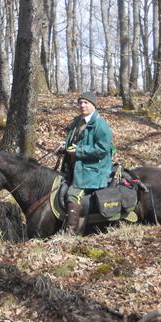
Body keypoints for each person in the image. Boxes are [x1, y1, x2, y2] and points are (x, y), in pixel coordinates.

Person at [54, 91, 114, 234]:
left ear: (93, 105)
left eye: (86, 102)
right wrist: (65, 147)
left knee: (73, 195)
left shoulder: (100, 125)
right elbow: (73, 142)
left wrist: (79, 151)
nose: (82, 105)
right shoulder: (77, 121)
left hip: (93, 170)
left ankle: (72, 233)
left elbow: (103, 149)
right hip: (75, 168)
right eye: (80, 102)